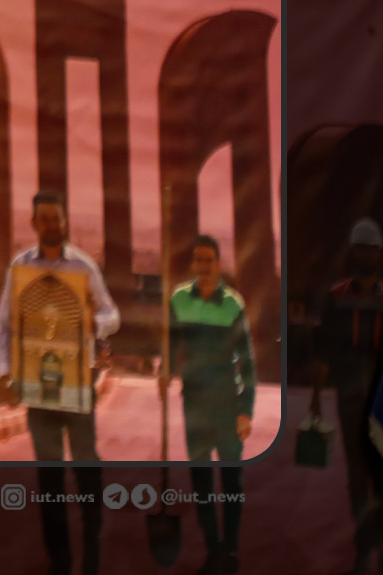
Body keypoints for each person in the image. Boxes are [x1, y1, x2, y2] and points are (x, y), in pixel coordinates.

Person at [0, 190, 119, 575]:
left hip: (77, 385)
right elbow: (3, 326)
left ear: (66, 221)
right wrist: (5, 372)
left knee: (86, 470)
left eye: (57, 218)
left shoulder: (83, 266)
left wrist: (95, 324)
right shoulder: (20, 268)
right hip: (37, 389)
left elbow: (112, 314)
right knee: (49, 479)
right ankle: (59, 561)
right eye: (45, 218)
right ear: (33, 223)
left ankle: (92, 552)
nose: (52, 225)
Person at [161, 233, 252, 575]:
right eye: (198, 260)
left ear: (218, 264)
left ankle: (231, 548)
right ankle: (213, 549)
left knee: (231, 481)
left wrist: (246, 410)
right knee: (201, 480)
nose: (203, 266)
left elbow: (248, 361)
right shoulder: (179, 300)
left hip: (227, 402)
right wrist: (165, 369)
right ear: (193, 264)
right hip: (195, 402)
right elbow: (171, 343)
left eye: (209, 260)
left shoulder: (233, 305)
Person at [312, 218, 383, 575]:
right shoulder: (337, 295)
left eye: (371, 249)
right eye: (361, 248)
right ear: (353, 252)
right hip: (351, 393)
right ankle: (364, 545)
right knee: (357, 474)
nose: (365, 254)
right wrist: (315, 396)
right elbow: (324, 351)